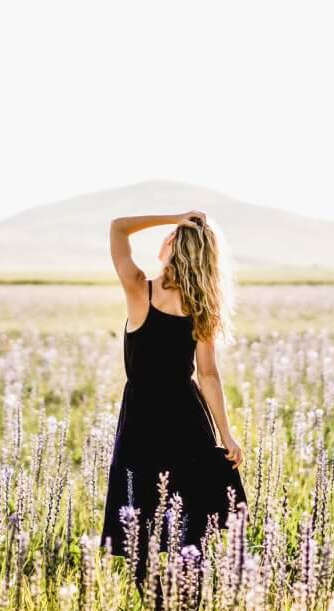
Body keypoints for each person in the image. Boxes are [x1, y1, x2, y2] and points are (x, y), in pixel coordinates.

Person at [100, 210, 247, 583]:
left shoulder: (139, 289)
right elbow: (209, 375)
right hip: (188, 422)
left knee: (138, 525)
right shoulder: (201, 307)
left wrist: (175, 217)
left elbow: (119, 228)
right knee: (191, 529)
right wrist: (226, 435)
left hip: (141, 423)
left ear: (171, 245)